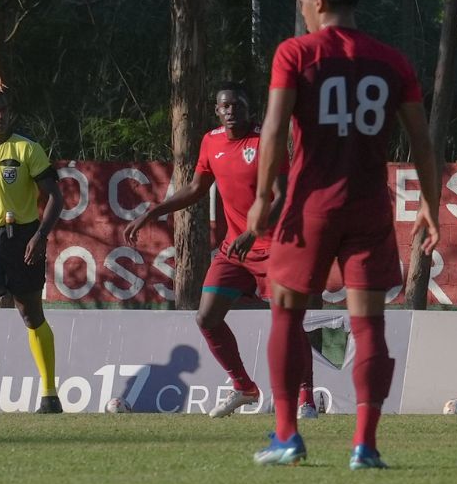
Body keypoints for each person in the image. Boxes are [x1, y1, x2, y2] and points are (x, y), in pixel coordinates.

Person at [247, 0, 441, 468]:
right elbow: (422, 140)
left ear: (319, 2)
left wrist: (263, 198)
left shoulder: (295, 53)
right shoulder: (393, 61)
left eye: (303, 5)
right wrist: (430, 202)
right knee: (369, 326)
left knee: (286, 312)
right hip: (368, 207)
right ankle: (365, 445)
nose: (304, 15)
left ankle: (287, 435)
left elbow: (272, 130)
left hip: (310, 205)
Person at [124, 84, 319, 419]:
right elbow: (197, 187)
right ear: (217, 110)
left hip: (276, 246)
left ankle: (306, 400)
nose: (230, 112)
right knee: (207, 316)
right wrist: (154, 211)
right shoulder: (211, 141)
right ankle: (244, 387)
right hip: (235, 249)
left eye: (237, 105)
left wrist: (253, 231)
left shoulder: (264, 141)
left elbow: (280, 195)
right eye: (224, 106)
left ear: (249, 108)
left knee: (288, 322)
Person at [0, 89, 63, 413]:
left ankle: (50, 395)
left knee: (30, 314)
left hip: (20, 237)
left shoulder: (26, 148)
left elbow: (55, 197)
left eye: (3, 110)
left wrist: (40, 235)